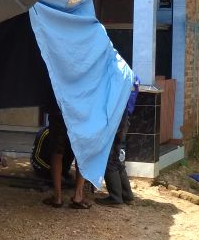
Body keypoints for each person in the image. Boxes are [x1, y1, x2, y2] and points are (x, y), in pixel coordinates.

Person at [96, 75, 140, 206]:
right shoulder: (132, 76)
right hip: (125, 118)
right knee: (118, 158)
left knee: (109, 158)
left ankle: (115, 197)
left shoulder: (117, 76)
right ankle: (127, 195)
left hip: (117, 119)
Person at [42, 101, 88, 209]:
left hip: (59, 109)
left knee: (57, 153)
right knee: (81, 152)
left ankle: (57, 198)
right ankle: (78, 196)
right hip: (81, 111)